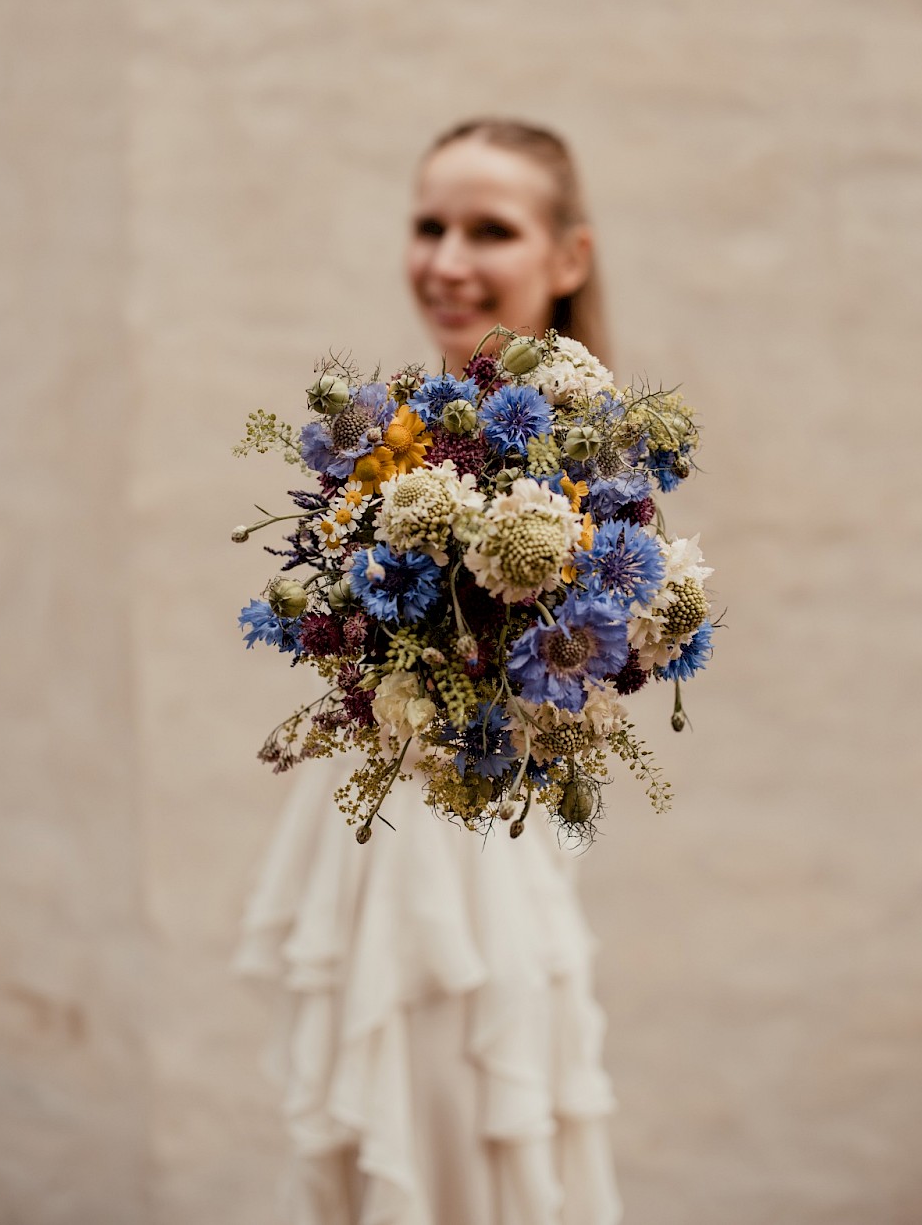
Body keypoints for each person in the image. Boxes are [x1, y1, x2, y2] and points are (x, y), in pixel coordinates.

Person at [234, 118, 623, 1225]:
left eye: (487, 229)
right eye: (428, 224)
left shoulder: (589, 466)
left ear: (567, 258)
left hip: (470, 892)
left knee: (458, 1149)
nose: (446, 261)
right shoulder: (402, 433)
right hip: (372, 859)